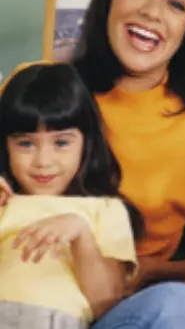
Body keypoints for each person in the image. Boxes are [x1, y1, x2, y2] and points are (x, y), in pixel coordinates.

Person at [4, 0, 185, 328]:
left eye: (176, 4)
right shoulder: (38, 87)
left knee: (181, 306)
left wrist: (147, 271)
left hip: (115, 310)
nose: (151, 12)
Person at [0, 63, 138, 329]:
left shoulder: (106, 210)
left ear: (86, 144)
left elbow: (106, 302)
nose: (43, 161)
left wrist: (81, 235)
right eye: (25, 144)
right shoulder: (5, 201)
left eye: (61, 143)